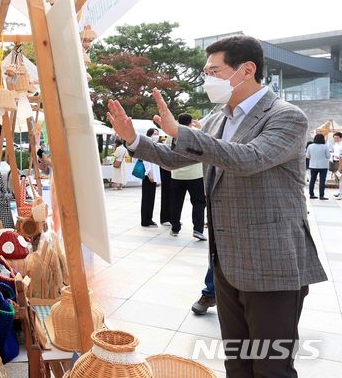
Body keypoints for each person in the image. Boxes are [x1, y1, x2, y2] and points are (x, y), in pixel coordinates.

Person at [107, 35, 327, 377]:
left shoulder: (287, 116)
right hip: (226, 260)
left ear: (246, 70)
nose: (208, 78)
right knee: (237, 363)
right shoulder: (215, 119)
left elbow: (250, 158)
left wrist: (181, 131)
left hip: (272, 262)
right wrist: (134, 140)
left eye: (214, 70)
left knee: (271, 367)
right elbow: (175, 159)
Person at [169, 113, 207, 240]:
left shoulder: (173, 133)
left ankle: (175, 228)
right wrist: (200, 127)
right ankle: (198, 229)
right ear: (191, 122)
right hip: (195, 174)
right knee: (198, 202)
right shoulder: (196, 133)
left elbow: (167, 151)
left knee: (176, 202)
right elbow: (208, 143)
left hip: (177, 174)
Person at [140, 128, 161, 227]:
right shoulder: (147, 144)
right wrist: (149, 173)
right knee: (147, 198)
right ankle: (146, 220)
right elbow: (146, 160)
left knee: (150, 198)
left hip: (152, 175)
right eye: (154, 133)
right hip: (148, 175)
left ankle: (148, 218)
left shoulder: (153, 145)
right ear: (149, 134)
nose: (156, 135)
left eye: (157, 133)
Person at [306, 133, 330, 200]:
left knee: (312, 180)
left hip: (313, 165)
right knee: (322, 181)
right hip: (323, 166)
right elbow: (328, 156)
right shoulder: (325, 146)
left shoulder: (310, 146)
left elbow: (307, 156)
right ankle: (321, 196)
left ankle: (311, 194)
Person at [331, 131, 342, 198]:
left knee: (340, 178)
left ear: (341, 138)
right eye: (334, 138)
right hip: (335, 161)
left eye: (337, 138)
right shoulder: (335, 145)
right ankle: (339, 192)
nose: (335, 139)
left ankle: (341, 194)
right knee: (338, 178)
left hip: (340, 162)